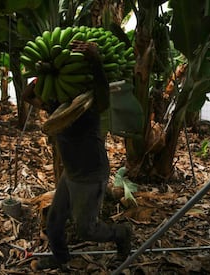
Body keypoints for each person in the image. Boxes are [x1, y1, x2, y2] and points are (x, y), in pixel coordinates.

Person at [23, 40, 132, 271]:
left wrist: (96, 61)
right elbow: (26, 95)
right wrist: (43, 74)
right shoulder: (56, 107)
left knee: (87, 229)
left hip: (90, 174)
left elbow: (103, 94)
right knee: (54, 222)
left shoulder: (87, 106)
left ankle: (121, 233)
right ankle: (60, 257)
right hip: (70, 174)